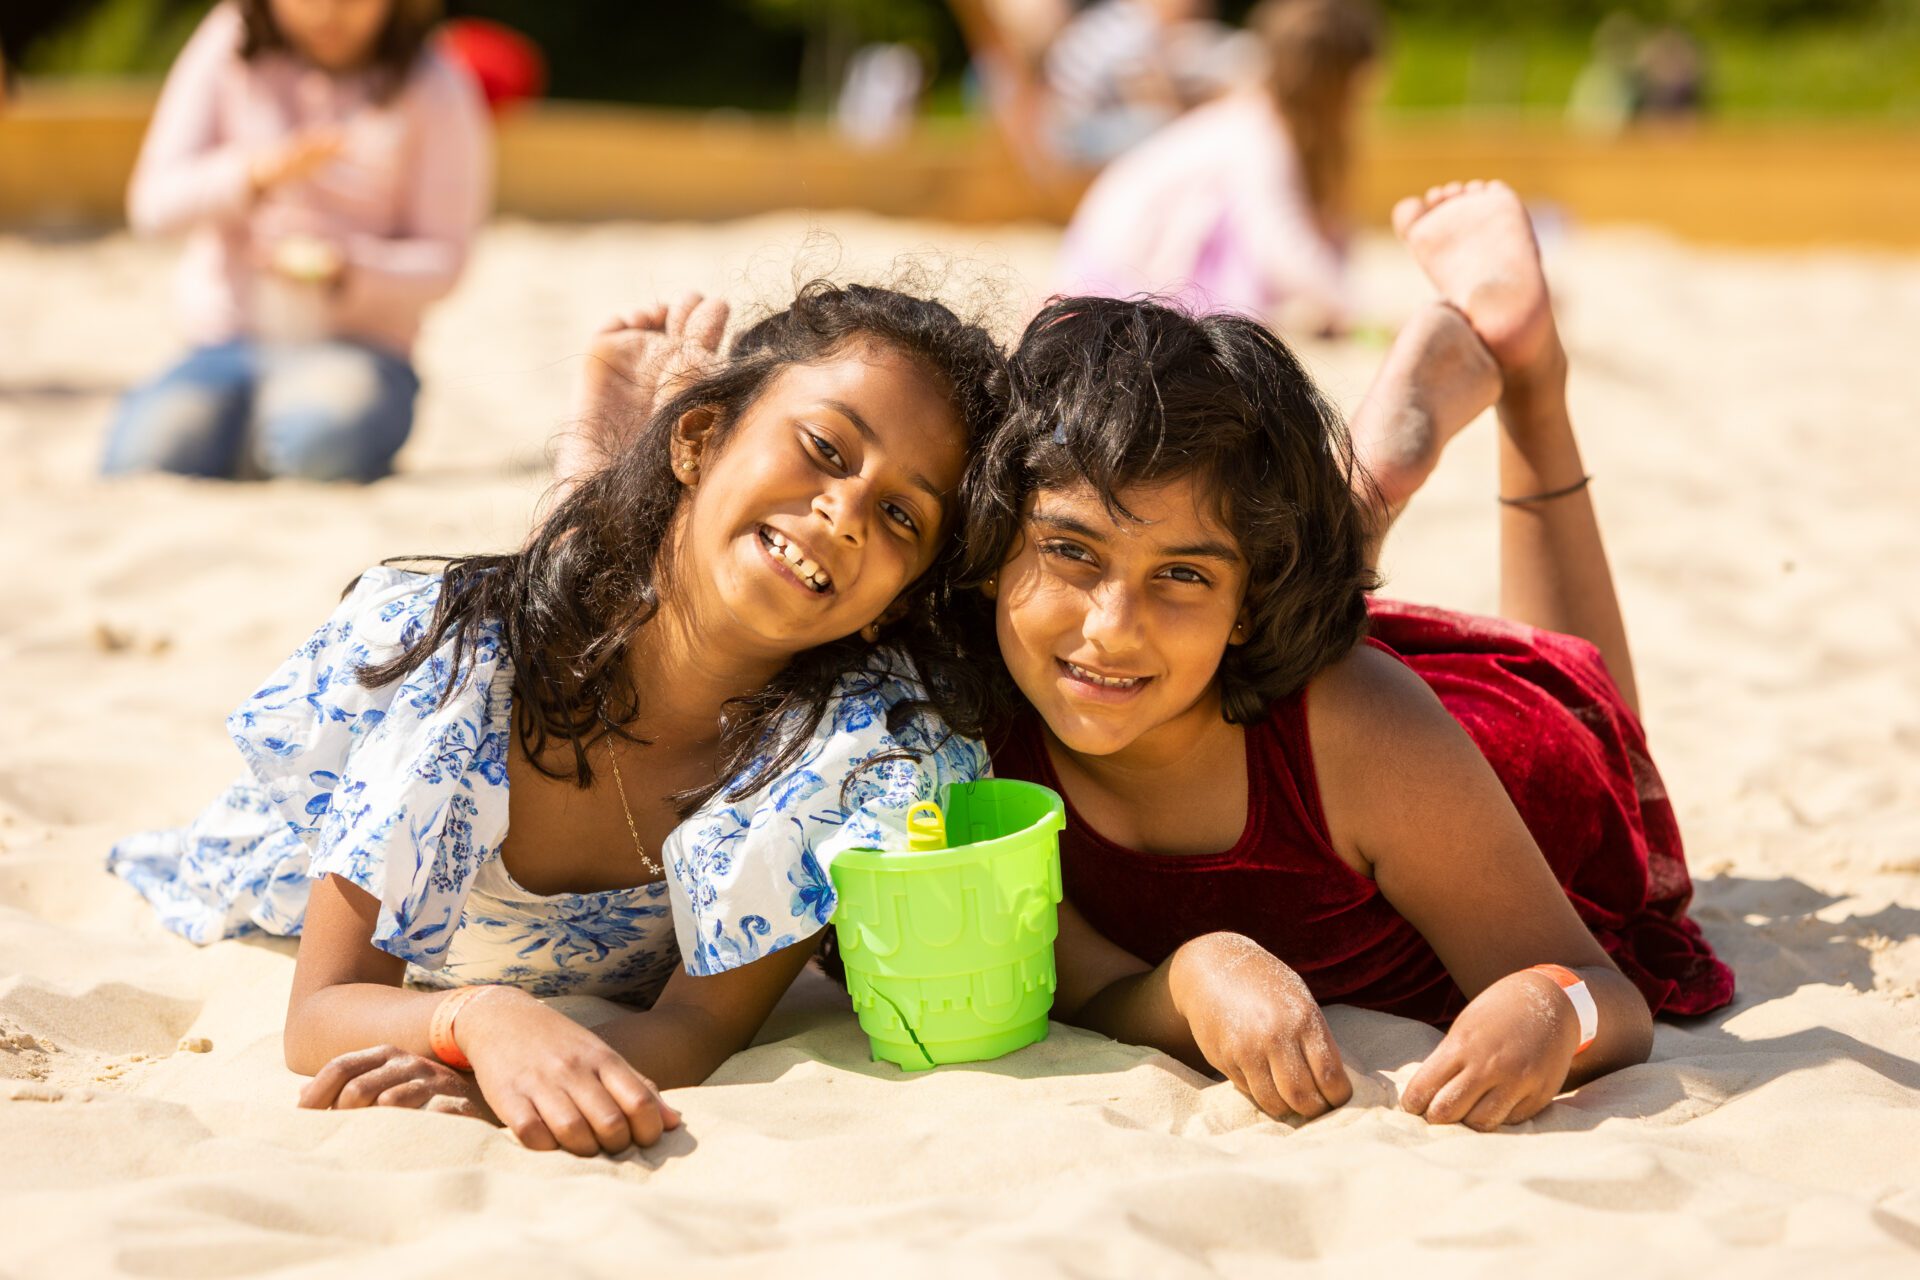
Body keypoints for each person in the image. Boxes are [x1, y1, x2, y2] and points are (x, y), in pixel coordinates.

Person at [109, 282, 1004, 1156]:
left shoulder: (841, 759)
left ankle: (611, 485)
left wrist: (484, 1081)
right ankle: (609, 479)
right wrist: (482, 1022)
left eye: (900, 515)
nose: (843, 514)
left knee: (602, 610)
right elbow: (319, 1013)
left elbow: (693, 1029)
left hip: (611, 657)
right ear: (699, 437)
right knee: (556, 618)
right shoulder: (459, 677)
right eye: (825, 448)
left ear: (898, 598)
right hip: (285, 873)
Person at [969, 179, 1733, 1130]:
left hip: (1489, 773)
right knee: (1232, 552)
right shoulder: (977, 710)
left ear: (1243, 603)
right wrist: (1200, 974)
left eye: (1182, 577)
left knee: (1575, 702)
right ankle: (1356, 488)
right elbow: (1090, 988)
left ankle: (1528, 381)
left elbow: (1602, 991)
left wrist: (1549, 1009)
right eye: (1071, 552)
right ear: (995, 545)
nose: (1109, 625)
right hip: (1237, 666)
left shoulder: (1362, 733)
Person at [102, 0, 490, 482]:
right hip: (227, 339)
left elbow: (446, 261)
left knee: (315, 448)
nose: (330, 10)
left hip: (361, 347)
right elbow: (152, 206)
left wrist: (347, 268)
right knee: (141, 458)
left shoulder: (435, 81)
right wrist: (255, 176)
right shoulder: (231, 40)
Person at [1055, 0, 1383, 334]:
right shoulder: (1255, 133)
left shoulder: (1279, 131)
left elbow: (1330, 229)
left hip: (1109, 258)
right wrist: (1351, 308)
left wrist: (1334, 294)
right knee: (1234, 221)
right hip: (1117, 272)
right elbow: (1280, 240)